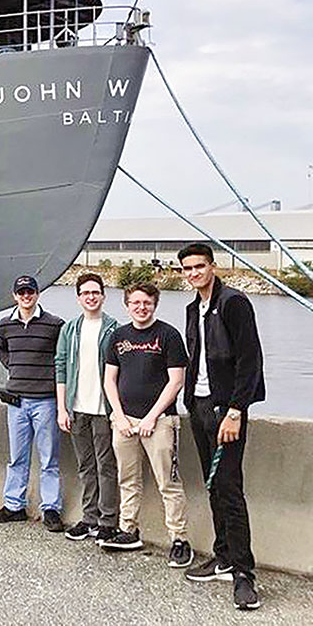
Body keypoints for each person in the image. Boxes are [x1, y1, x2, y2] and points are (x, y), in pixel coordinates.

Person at [178, 243, 265, 610]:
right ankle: (223, 556)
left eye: (199, 266)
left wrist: (235, 409)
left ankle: (244, 574)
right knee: (213, 485)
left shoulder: (233, 303)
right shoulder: (192, 308)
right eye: (187, 269)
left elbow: (250, 358)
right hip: (199, 408)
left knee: (229, 488)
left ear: (212, 267)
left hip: (224, 409)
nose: (194, 272)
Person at [100, 282, 194, 569]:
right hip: (125, 423)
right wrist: (119, 415)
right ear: (127, 305)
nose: (141, 307)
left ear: (155, 304)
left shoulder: (168, 335)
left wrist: (152, 416)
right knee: (127, 480)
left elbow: (175, 381)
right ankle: (129, 531)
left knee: (169, 482)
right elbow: (109, 380)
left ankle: (179, 540)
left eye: (147, 303)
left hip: (161, 422)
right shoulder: (118, 337)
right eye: (136, 302)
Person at [0, 275, 65, 531]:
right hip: (17, 401)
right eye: (21, 292)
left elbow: (62, 356)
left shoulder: (55, 324)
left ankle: (51, 509)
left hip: (45, 401)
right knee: (16, 457)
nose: (26, 296)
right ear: (14, 296)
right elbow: (0, 349)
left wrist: (49, 375)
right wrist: (13, 365)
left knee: (49, 459)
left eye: (30, 291)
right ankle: (14, 506)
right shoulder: (4, 325)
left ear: (37, 293)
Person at [55, 273, 119, 543]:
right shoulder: (69, 329)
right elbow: (61, 368)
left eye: (95, 292)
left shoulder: (114, 329)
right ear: (79, 297)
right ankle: (89, 517)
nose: (91, 297)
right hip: (77, 408)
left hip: (103, 409)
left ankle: (107, 521)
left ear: (103, 296)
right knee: (85, 465)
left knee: (106, 465)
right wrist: (62, 408)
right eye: (85, 293)